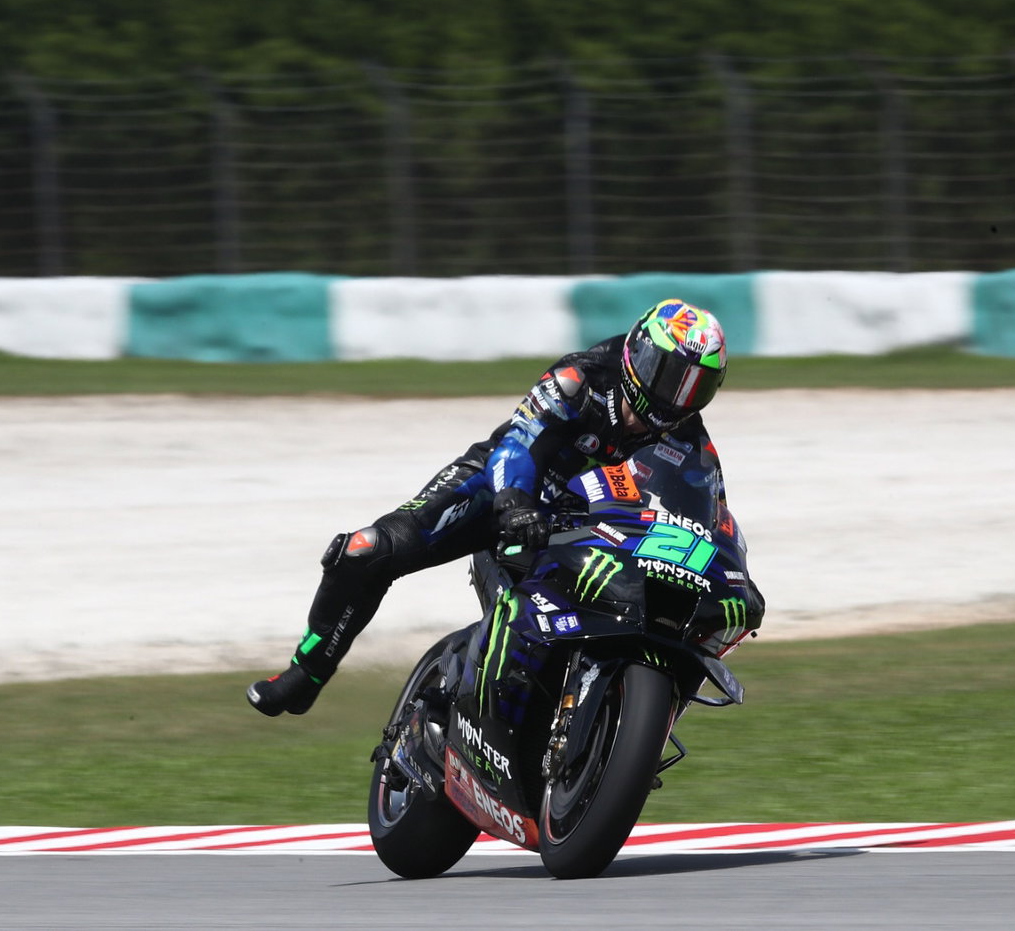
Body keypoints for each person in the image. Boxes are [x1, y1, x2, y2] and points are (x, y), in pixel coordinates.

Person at [247, 298, 731, 716]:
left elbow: (710, 515)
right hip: (502, 490)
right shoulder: (579, 378)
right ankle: (307, 673)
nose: (677, 397)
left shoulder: (690, 442)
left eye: (695, 387)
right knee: (365, 549)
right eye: (670, 376)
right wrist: (515, 501)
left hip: (589, 528)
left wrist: (731, 574)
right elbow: (518, 445)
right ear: (638, 355)